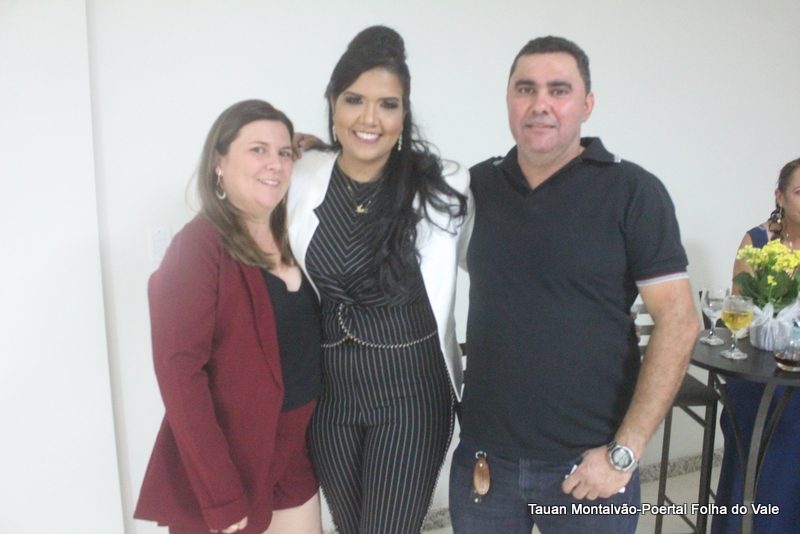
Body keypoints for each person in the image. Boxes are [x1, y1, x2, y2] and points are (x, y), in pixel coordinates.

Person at [448, 36, 699, 533]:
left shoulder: (633, 192)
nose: (540, 103)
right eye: (525, 89)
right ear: (508, 100)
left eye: (558, 90)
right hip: (485, 463)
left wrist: (625, 452)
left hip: (590, 467)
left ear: (587, 105)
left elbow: (679, 322)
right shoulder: (474, 189)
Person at [286, 26, 472, 534]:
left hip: (411, 393)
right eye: (354, 100)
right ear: (332, 103)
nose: (369, 119)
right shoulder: (302, 175)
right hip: (330, 396)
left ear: (404, 114)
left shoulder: (445, 184)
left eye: (388, 105)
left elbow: (493, 266)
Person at [134, 100, 323, 534]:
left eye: (283, 152)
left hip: (293, 455)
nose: (274, 164)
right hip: (231, 463)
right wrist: (220, 492)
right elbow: (179, 373)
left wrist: (319, 150)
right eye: (257, 150)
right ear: (218, 162)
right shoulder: (197, 247)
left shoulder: (295, 235)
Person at [712, 157, 800, 533]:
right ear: (779, 196)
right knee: (778, 413)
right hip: (759, 365)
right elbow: (739, 308)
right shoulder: (759, 240)